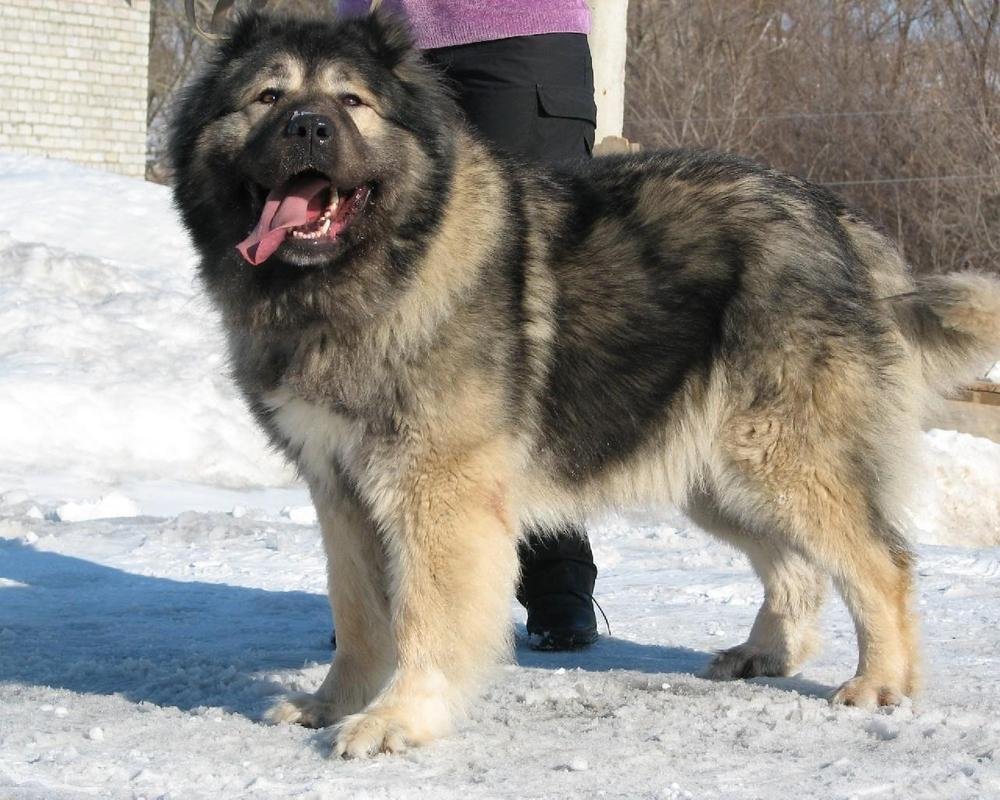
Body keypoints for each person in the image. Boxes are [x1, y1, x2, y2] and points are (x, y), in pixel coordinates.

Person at [339, 0, 602, 650]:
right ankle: (392, 597)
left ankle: (554, 573)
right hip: (382, 41)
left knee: (540, 310)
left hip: (521, 35)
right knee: (377, 316)